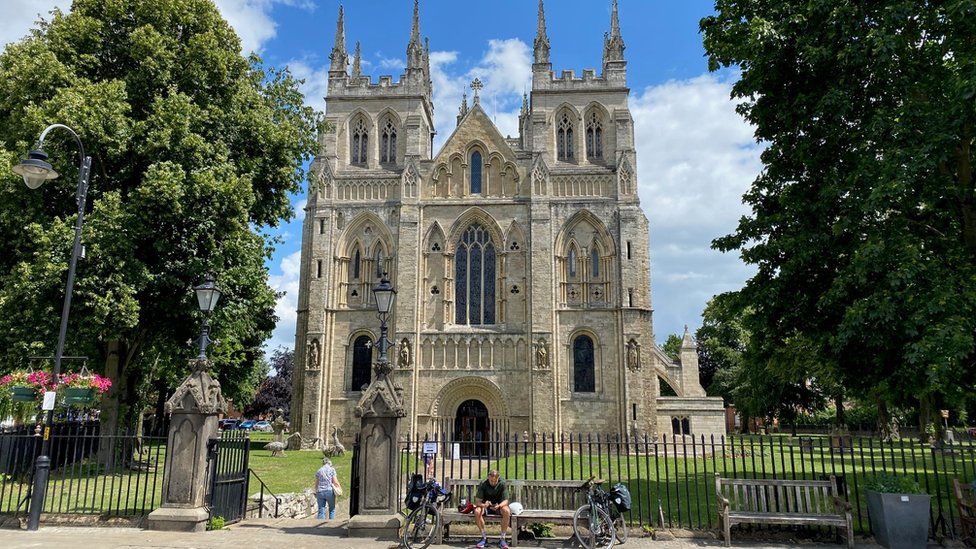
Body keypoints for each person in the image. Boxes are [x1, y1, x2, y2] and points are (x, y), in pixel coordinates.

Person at [474, 469, 510, 549]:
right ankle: (484, 537)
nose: (493, 483)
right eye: (491, 481)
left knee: (507, 511)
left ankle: (502, 539)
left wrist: (499, 506)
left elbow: (506, 500)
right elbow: (477, 501)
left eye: (495, 481)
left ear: (498, 478)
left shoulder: (502, 483)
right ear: (488, 477)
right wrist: (484, 505)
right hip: (486, 506)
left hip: (499, 506)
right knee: (477, 511)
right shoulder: (483, 483)